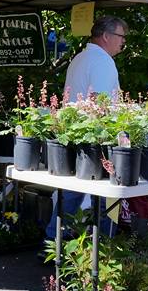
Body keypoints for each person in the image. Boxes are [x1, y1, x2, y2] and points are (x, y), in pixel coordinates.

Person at [45, 16, 129, 242]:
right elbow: (99, 102)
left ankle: (53, 242)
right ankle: (104, 245)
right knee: (107, 194)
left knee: (73, 190)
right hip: (98, 137)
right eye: (122, 37)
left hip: (77, 133)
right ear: (106, 36)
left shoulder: (80, 58)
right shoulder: (102, 61)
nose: (123, 42)